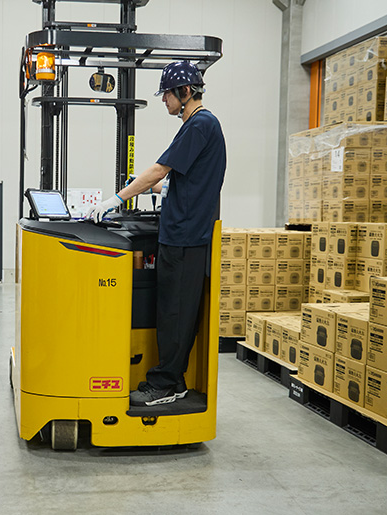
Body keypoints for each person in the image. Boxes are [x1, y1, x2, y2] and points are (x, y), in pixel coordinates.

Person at [88, 61, 227, 407]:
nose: (164, 100)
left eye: (167, 93)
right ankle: (168, 377)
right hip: (179, 233)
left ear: (185, 92)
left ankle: (168, 383)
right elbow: (179, 176)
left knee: (175, 314)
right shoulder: (197, 125)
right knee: (169, 310)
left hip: (185, 237)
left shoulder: (200, 124)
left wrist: (118, 198)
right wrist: (160, 189)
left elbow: (160, 168)